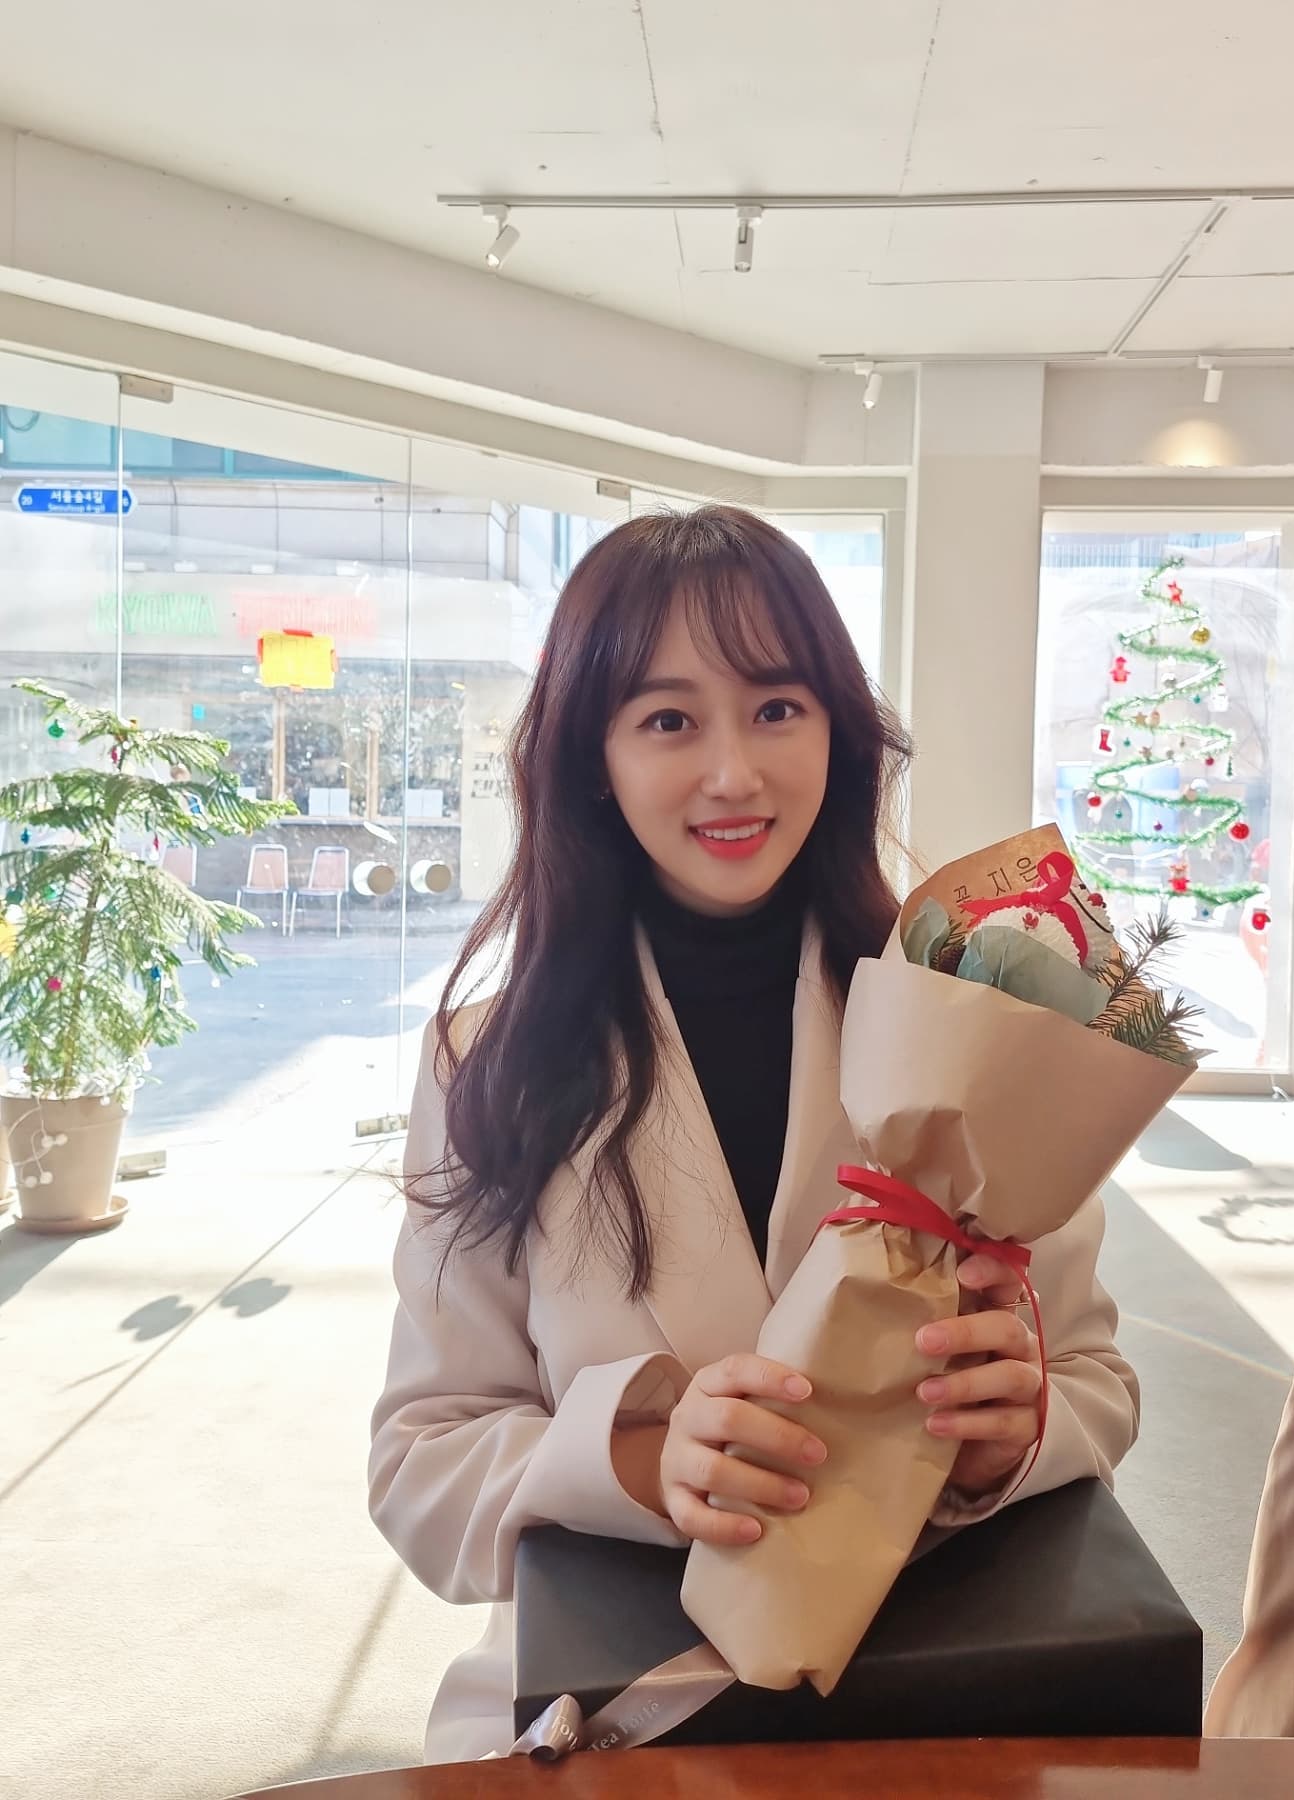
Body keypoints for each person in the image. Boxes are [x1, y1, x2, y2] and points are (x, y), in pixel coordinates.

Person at [368, 506, 1140, 1762]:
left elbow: (1096, 1378)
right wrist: (643, 1462)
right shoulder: (488, 1061)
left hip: (945, 1695)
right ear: (593, 756)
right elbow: (421, 1462)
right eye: (669, 720)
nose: (734, 773)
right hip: (620, 1710)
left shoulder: (977, 1026)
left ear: (840, 732)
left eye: (778, 708)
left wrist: (1013, 1435)